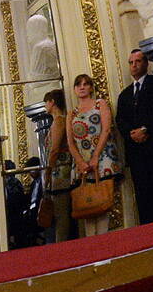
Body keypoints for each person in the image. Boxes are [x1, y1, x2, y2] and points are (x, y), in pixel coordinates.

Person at [114, 49, 153, 224]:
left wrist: (145, 129)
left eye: (138, 61)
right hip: (136, 153)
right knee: (142, 193)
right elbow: (120, 120)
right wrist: (131, 134)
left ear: (146, 63)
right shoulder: (125, 94)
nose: (134, 65)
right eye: (131, 62)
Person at [65, 73, 118, 235]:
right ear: (74, 89)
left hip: (103, 159)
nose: (82, 87)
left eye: (85, 84)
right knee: (87, 205)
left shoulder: (99, 104)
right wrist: (80, 161)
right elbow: (70, 142)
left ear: (90, 87)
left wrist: (95, 156)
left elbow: (106, 129)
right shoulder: (71, 113)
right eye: (78, 84)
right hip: (82, 163)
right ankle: (92, 247)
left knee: (102, 203)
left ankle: (104, 245)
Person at [41, 89, 75, 241]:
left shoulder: (59, 121)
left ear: (52, 102)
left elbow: (54, 149)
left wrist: (48, 171)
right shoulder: (58, 120)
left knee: (61, 214)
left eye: (46, 102)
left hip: (60, 172)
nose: (45, 105)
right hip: (59, 170)